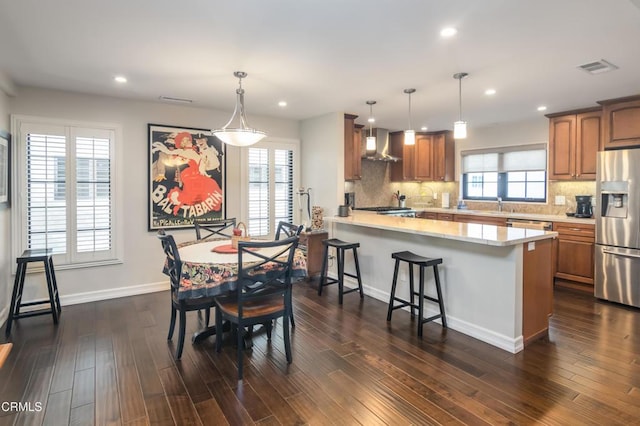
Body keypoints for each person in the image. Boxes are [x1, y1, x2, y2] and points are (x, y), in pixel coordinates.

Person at [151, 132, 222, 215]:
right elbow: (169, 152)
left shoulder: (195, 150)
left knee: (207, 187)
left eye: (189, 140)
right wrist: (160, 149)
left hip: (195, 174)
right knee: (194, 194)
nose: (190, 141)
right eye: (188, 141)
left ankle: (186, 205)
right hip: (191, 175)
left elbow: (202, 162)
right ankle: (182, 204)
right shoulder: (184, 151)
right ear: (183, 143)